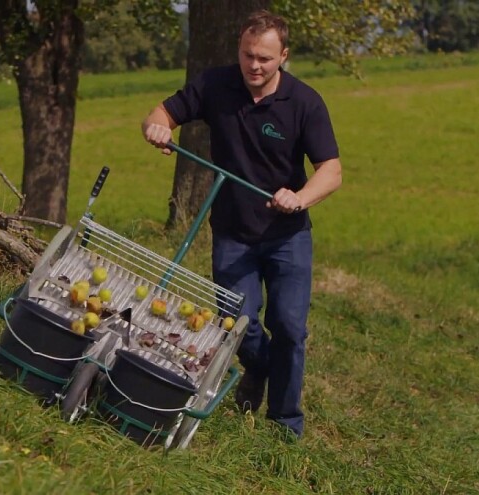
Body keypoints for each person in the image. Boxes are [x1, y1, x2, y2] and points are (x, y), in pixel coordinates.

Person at [141, 10, 342, 438]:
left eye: (265, 59)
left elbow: (332, 170)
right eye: (248, 55)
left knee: (289, 328)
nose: (254, 65)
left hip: (287, 236)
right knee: (236, 325)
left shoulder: (305, 102)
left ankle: (284, 425)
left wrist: (300, 197)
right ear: (239, 50)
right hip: (233, 232)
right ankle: (260, 366)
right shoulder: (216, 85)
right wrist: (156, 128)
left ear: (283, 56)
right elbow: (162, 114)